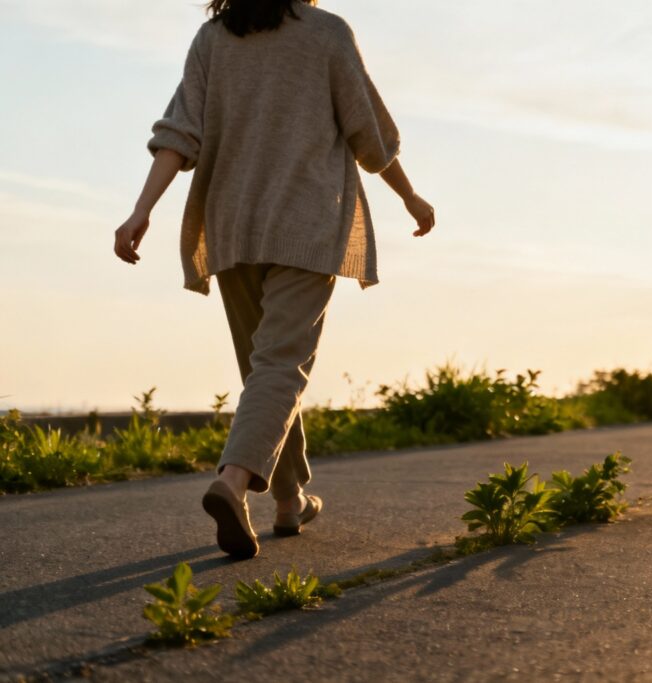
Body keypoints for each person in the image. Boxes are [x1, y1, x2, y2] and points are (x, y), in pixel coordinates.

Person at [112, 0, 435, 559]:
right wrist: (409, 195)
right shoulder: (328, 33)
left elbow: (178, 133)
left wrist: (141, 210)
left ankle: (290, 502)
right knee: (281, 366)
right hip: (306, 225)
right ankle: (232, 484)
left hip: (232, 227)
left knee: (266, 369)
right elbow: (370, 135)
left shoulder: (213, 38)